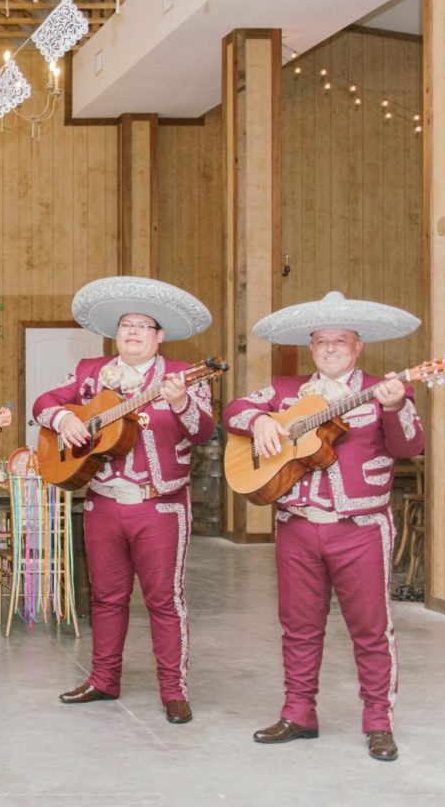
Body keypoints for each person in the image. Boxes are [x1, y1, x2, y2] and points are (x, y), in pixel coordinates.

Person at [224, 291, 424, 762]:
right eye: (321, 341)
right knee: (298, 626)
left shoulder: (385, 389)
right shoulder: (283, 390)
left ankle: (378, 721)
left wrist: (396, 408)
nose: (330, 348)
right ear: (311, 348)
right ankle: (299, 713)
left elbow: (409, 445)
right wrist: (258, 422)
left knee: (371, 629)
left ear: (358, 347)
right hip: (297, 524)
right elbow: (234, 409)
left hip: (360, 527)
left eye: (341, 340)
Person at [32, 276, 214, 724]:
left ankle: (173, 690)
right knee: (107, 598)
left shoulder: (184, 376)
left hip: (160, 506)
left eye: (142, 326)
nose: (132, 332)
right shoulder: (89, 372)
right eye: (125, 325)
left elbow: (205, 431)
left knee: (164, 599)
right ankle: (102, 680)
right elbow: (42, 402)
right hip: (102, 501)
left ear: (159, 336)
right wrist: (63, 420)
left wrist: (181, 403)